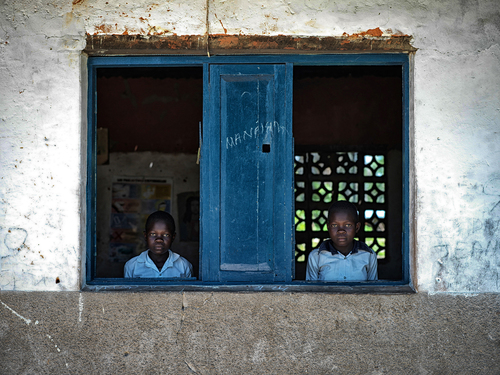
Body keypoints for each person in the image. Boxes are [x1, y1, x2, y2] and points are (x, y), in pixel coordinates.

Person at [306, 201, 378, 281]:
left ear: (357, 227)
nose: (341, 230)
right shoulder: (316, 257)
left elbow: (372, 289)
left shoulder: (369, 255)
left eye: (348, 225)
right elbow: (311, 290)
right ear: (328, 227)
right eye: (334, 225)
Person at [124, 211, 193, 278]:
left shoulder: (183, 266)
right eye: (153, 234)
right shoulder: (132, 266)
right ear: (145, 236)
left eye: (166, 235)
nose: (159, 239)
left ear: (173, 237)